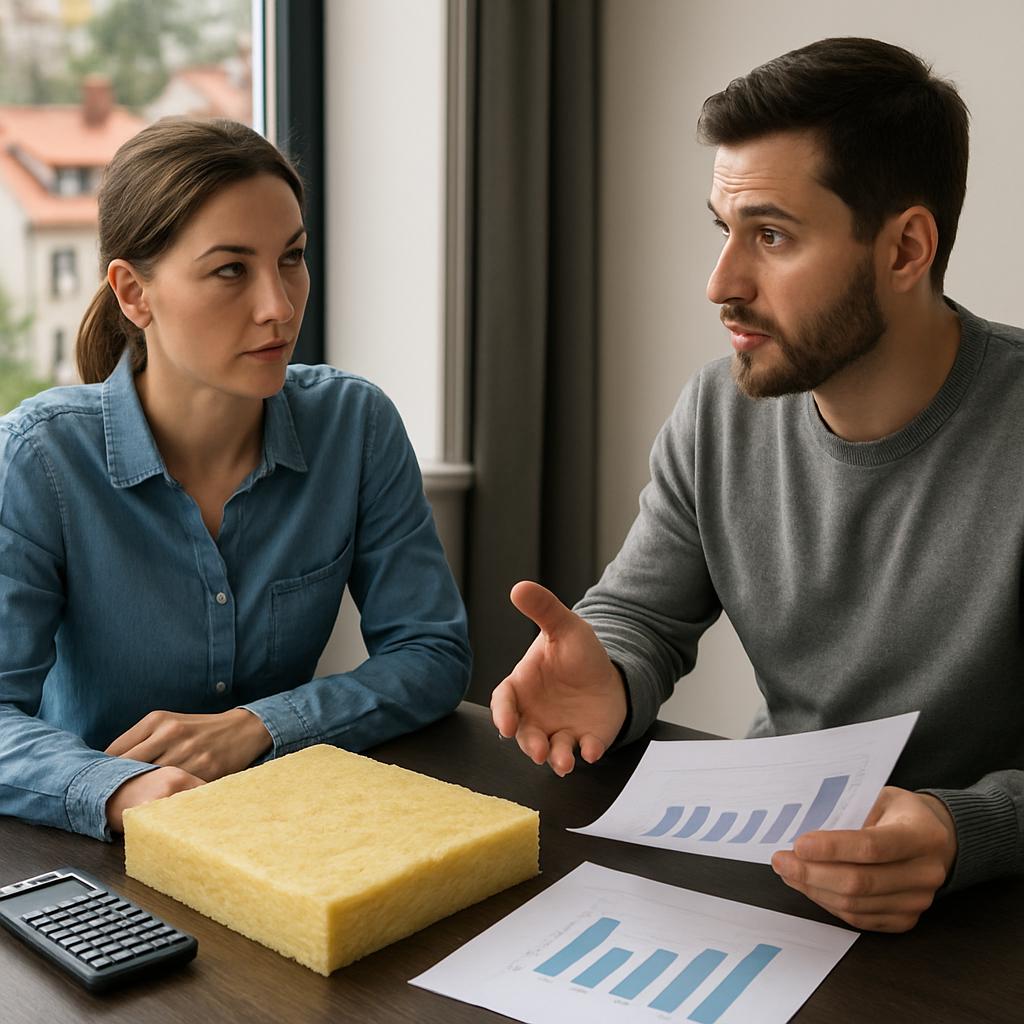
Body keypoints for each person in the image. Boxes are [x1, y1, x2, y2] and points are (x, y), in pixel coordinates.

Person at [491, 37, 1024, 933]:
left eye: (770, 235)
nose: (720, 283)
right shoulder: (718, 409)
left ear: (906, 248)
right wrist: (610, 677)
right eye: (723, 230)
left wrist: (971, 827)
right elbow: (644, 616)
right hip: (773, 865)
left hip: (986, 917)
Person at [0, 118, 471, 841]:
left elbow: (431, 654)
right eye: (230, 270)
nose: (278, 306)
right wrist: (122, 788)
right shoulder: (40, 459)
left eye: (292, 258)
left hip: (296, 831)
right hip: (98, 853)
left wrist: (259, 725)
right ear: (134, 293)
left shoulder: (357, 424)